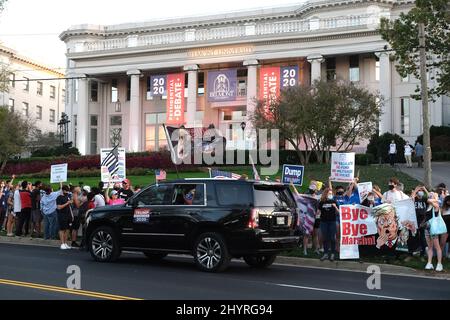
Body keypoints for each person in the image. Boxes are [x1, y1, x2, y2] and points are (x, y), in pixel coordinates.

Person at [423, 192, 444, 271]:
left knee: (437, 246)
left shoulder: (436, 205)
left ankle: (439, 264)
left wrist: (435, 198)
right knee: (430, 247)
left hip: (434, 229)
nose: (430, 195)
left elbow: (428, 200)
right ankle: (429, 263)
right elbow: (427, 200)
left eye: (432, 194)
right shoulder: (428, 206)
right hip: (427, 228)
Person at [317, 188, 339, 261]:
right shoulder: (322, 202)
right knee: (325, 238)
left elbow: (338, 212)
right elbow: (318, 211)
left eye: (331, 193)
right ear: (325, 194)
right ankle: (325, 253)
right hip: (324, 222)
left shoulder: (334, 201)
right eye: (328, 193)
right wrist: (317, 212)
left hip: (332, 221)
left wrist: (335, 206)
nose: (330, 195)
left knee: (332, 238)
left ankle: (332, 254)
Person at [411, 186, 429, 257]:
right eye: (419, 190)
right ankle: (414, 251)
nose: (420, 191)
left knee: (422, 236)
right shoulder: (414, 199)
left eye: (421, 190)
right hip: (414, 220)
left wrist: (425, 189)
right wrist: (415, 190)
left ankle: (423, 253)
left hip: (423, 220)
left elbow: (430, 197)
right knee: (414, 236)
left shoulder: (425, 199)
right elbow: (411, 198)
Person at [56, 185, 73, 250]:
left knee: (67, 229)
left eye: (68, 190)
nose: (67, 192)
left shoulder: (68, 197)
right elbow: (59, 207)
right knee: (62, 229)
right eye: (66, 190)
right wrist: (67, 203)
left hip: (68, 215)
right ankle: (62, 243)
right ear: (63, 190)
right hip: (61, 215)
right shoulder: (59, 198)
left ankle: (65, 243)